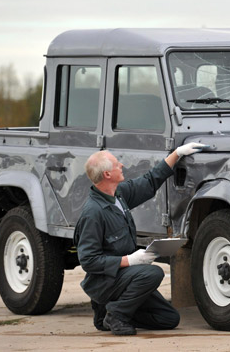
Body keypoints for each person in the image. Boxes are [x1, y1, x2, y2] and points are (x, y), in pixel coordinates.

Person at [74, 143, 204, 335]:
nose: (122, 166)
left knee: (168, 319)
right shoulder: (93, 213)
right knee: (153, 273)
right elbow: (89, 261)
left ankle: (106, 313)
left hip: (123, 278)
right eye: (117, 164)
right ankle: (116, 315)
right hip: (105, 281)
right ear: (107, 175)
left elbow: (150, 181)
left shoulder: (119, 194)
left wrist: (176, 154)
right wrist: (130, 260)